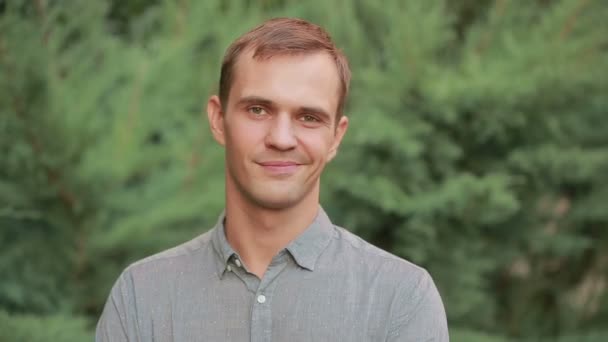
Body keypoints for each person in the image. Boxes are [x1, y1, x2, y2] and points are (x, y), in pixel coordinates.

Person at [96, 17, 449, 341]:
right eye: (258, 110)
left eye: (308, 117)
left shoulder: (400, 298)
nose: (281, 138)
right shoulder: (142, 296)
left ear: (336, 138)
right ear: (219, 119)